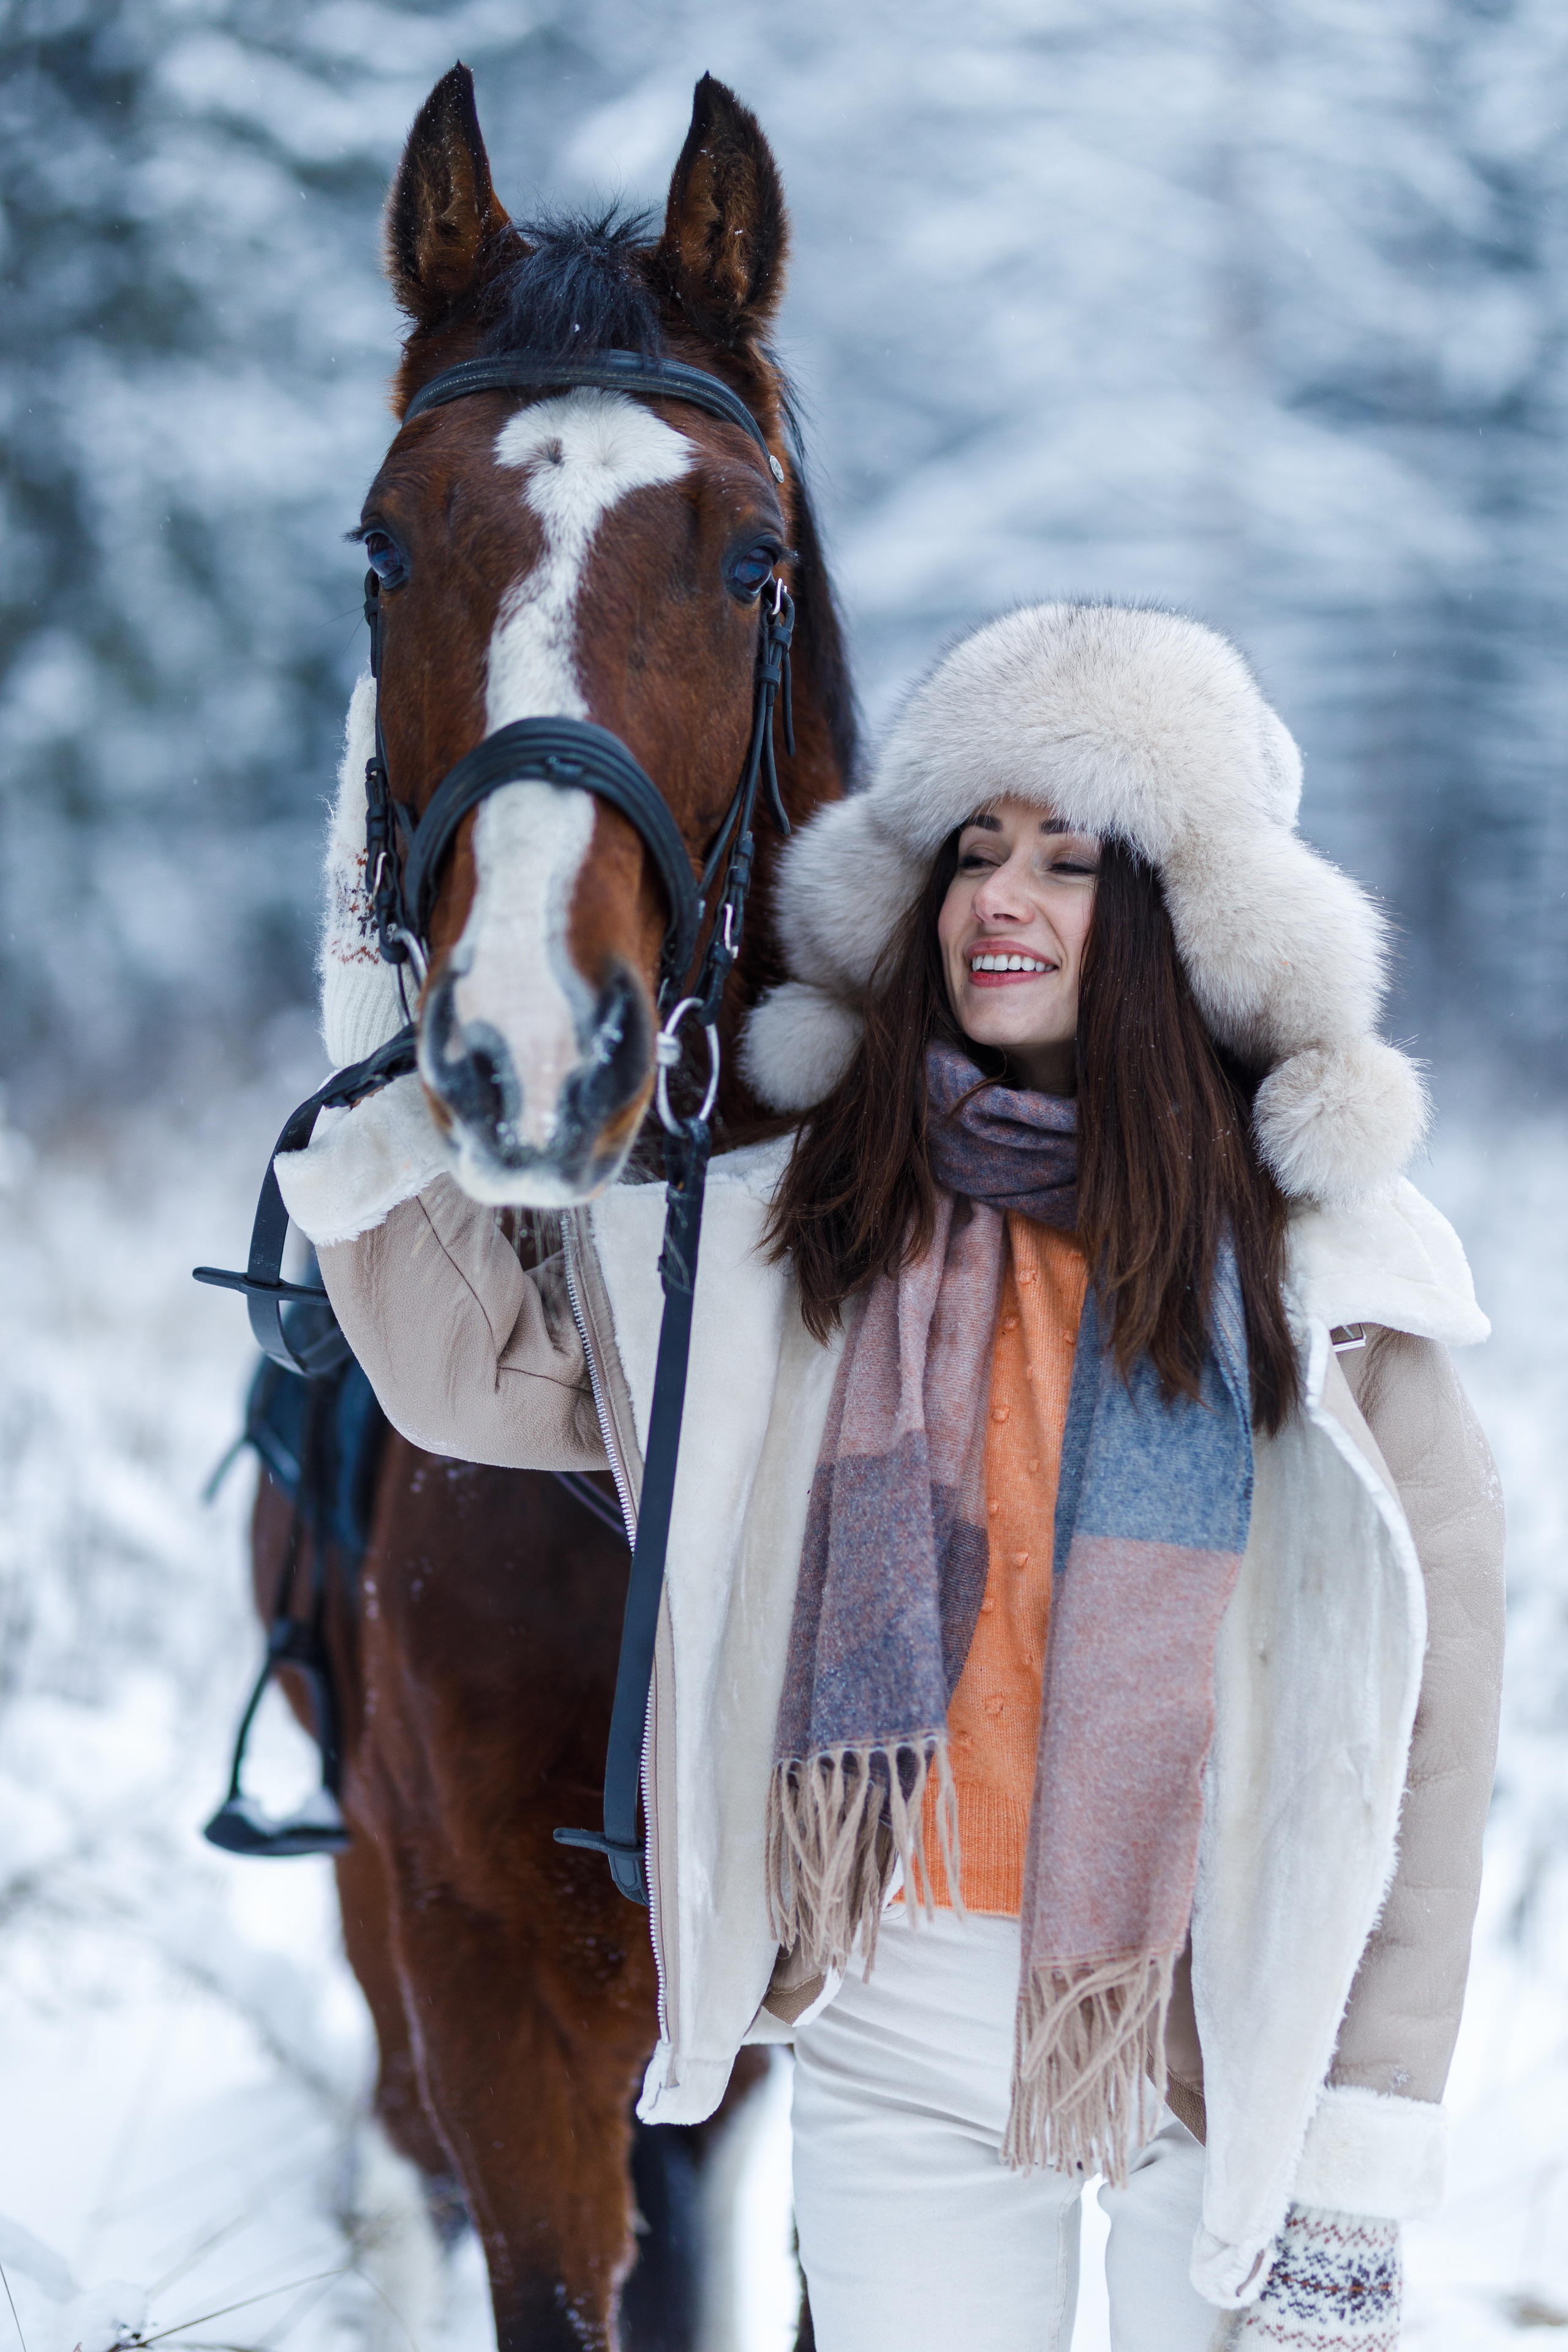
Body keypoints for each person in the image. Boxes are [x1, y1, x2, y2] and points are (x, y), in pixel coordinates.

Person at [278, 603, 1504, 2351]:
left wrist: (1360, 2151)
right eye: (969, 853)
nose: (999, 899)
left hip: (1227, 2012)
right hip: (901, 1988)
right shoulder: (811, 1238)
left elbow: (1431, 1743)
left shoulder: (1328, 1281)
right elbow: (478, 1368)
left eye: (1070, 861)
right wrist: (378, 988)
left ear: (1183, 921)